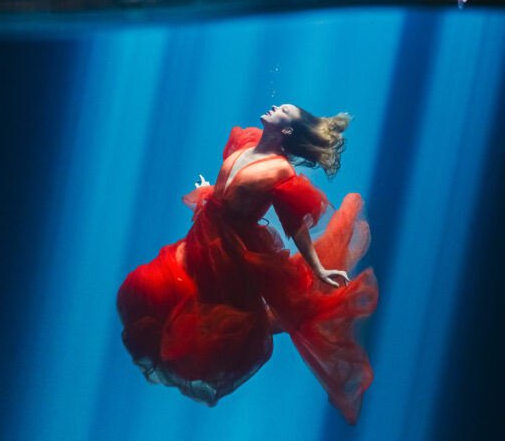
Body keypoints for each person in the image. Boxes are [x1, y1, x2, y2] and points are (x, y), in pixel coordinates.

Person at [116, 105, 378, 424]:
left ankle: (287, 315)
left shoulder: (279, 171)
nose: (275, 107)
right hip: (205, 235)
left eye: (283, 110)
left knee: (215, 317)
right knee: (154, 289)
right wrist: (209, 190)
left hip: (227, 252)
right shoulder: (247, 142)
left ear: (287, 131)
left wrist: (318, 268)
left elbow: (295, 226)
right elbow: (231, 190)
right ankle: (274, 316)